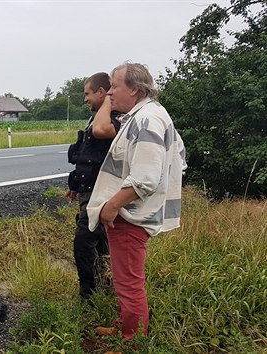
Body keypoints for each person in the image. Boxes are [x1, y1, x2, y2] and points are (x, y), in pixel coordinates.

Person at [87, 63, 186, 341]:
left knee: (130, 282)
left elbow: (146, 177)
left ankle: (132, 340)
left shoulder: (148, 119)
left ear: (134, 89)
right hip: (133, 212)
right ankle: (124, 325)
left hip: (132, 215)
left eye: (115, 86)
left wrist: (112, 205)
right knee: (124, 278)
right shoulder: (145, 115)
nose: (110, 93)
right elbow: (178, 153)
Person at [66, 72, 121, 300]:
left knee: (84, 243)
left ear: (101, 92)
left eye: (88, 93)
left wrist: (108, 101)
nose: (85, 99)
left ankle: (88, 296)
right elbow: (87, 156)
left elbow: (100, 134)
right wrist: (76, 184)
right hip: (90, 192)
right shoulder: (97, 117)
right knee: (99, 245)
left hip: (103, 194)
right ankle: (104, 287)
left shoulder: (117, 118)